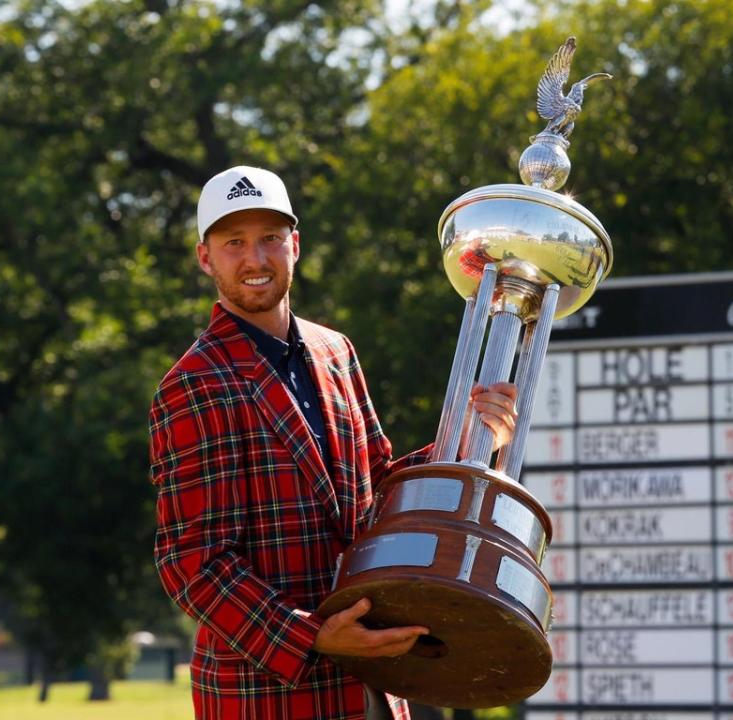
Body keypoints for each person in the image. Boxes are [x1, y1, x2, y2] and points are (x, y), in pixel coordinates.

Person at [149, 165, 518, 720]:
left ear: (294, 245)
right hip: (267, 696)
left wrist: (463, 443)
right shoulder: (192, 384)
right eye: (234, 243)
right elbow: (194, 565)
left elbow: (379, 492)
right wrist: (314, 637)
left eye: (270, 238)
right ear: (206, 258)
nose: (255, 259)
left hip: (372, 683)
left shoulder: (335, 351)